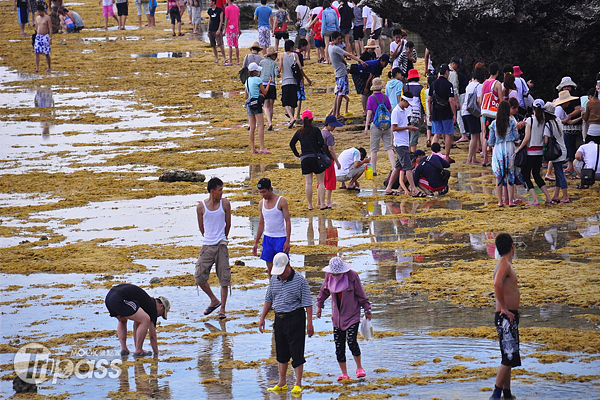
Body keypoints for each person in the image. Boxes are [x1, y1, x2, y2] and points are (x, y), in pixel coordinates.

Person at [259, 253, 314, 395]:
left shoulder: (300, 281)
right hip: (279, 318)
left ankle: (298, 383)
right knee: (281, 351)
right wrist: (262, 317)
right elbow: (268, 299)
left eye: (282, 272)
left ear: (288, 266)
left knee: (297, 351)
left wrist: (310, 323)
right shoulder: (274, 280)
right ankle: (282, 382)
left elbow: (307, 303)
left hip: (295, 317)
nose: (280, 275)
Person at [316, 257, 371, 381]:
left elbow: (361, 294)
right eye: (334, 273)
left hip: (352, 314)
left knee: (351, 340)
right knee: (339, 345)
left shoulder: (352, 276)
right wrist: (319, 305)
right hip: (337, 317)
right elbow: (324, 291)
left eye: (338, 273)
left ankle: (359, 367)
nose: (336, 275)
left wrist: (367, 309)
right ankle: (344, 373)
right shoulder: (329, 276)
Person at [195, 177, 232, 320]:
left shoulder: (225, 204)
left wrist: (223, 238)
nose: (222, 192)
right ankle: (214, 300)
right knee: (199, 276)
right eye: (220, 190)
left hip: (221, 245)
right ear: (212, 191)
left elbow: (228, 224)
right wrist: (209, 238)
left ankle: (222, 309)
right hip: (207, 245)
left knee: (224, 278)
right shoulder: (201, 207)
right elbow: (201, 228)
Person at [490, 233, 520, 400]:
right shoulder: (504, 264)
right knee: (509, 357)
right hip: (506, 316)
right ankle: (496, 394)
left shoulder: (504, 264)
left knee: (508, 356)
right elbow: (497, 283)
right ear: (512, 247)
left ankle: (507, 394)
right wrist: (505, 308)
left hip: (508, 315)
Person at [105, 283, 171, 357]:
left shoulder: (145, 303)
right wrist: (156, 353)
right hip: (120, 298)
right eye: (162, 314)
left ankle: (124, 349)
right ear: (161, 306)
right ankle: (139, 351)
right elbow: (152, 336)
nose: (159, 316)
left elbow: (136, 327)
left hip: (109, 298)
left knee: (122, 320)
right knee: (146, 319)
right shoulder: (152, 308)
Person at [515, 99, 554, 205]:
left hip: (530, 152)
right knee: (537, 175)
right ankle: (548, 197)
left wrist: (518, 149)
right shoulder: (543, 121)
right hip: (539, 152)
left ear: (533, 109)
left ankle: (535, 200)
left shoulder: (530, 120)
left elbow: (527, 138)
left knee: (526, 175)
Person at [290, 109, 328, 210]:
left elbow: (291, 144)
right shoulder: (316, 130)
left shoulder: (299, 132)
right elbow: (321, 142)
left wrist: (298, 154)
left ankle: (310, 205)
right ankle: (322, 204)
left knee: (308, 183)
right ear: (312, 119)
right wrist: (317, 146)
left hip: (305, 159)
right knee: (320, 182)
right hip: (316, 157)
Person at [384, 92, 421, 196]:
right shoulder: (396, 111)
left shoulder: (404, 110)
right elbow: (394, 128)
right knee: (408, 167)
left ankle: (389, 187)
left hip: (403, 142)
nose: (409, 105)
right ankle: (414, 189)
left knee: (397, 167)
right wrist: (408, 128)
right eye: (408, 103)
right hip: (399, 143)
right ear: (404, 101)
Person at [253, 178, 291, 276]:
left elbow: (287, 221)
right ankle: (273, 288)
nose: (263, 194)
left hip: (280, 238)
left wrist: (287, 241)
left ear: (271, 189)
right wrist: (256, 242)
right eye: (261, 192)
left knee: (285, 267)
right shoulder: (261, 203)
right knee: (270, 268)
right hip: (267, 238)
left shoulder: (281, 201)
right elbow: (261, 223)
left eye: (264, 192)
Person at [328, 31, 367, 119]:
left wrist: (346, 64)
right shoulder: (335, 48)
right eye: (338, 39)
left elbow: (341, 58)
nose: (340, 41)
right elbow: (348, 54)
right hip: (341, 73)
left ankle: (335, 113)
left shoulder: (330, 47)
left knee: (338, 93)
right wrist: (360, 61)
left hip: (338, 72)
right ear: (333, 39)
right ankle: (337, 114)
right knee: (341, 94)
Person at [488, 100, 519, 207]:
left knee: (499, 176)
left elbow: (490, 141)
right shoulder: (511, 122)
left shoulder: (493, 123)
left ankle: (500, 201)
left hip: (498, 149)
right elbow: (516, 137)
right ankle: (510, 201)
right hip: (509, 147)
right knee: (510, 174)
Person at [364, 77, 395, 176]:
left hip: (375, 125)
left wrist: (366, 127)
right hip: (387, 125)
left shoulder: (371, 98)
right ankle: (394, 168)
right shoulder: (386, 97)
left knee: (374, 149)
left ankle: (373, 170)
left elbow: (369, 113)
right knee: (389, 148)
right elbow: (390, 111)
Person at [429, 64, 457, 163]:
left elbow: (429, 99)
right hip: (446, 112)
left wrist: (430, 113)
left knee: (436, 134)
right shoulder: (448, 85)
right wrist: (454, 114)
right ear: (446, 72)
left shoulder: (433, 84)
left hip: (436, 112)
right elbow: (451, 100)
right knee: (448, 134)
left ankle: (433, 154)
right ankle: (447, 156)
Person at [542, 102, 569, 203]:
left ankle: (565, 196)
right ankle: (556, 194)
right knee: (558, 173)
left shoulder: (548, 124)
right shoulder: (557, 120)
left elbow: (546, 140)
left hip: (555, 152)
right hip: (562, 149)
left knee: (560, 173)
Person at [480, 63, 504, 167]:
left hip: (485, 111)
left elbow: (481, 99)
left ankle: (485, 159)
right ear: (497, 72)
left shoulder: (484, 83)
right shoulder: (497, 84)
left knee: (486, 135)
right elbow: (501, 100)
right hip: (494, 113)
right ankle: (495, 159)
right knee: (495, 135)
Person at [244, 62, 271, 154]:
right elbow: (265, 92)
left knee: (252, 127)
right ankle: (262, 147)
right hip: (256, 104)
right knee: (260, 126)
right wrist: (269, 83)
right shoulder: (258, 79)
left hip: (249, 104)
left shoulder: (247, 80)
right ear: (255, 71)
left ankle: (253, 148)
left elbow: (246, 95)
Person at [462, 66, 485, 164]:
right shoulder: (479, 86)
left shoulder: (470, 84)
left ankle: (473, 158)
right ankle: (469, 159)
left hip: (465, 111)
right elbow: (479, 100)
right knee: (474, 136)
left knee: (473, 135)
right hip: (472, 113)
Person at [280, 40, 305, 129]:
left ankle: (291, 118)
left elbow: (280, 68)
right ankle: (292, 120)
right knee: (293, 102)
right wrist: (302, 78)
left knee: (285, 101)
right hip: (294, 81)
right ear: (291, 47)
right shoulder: (295, 55)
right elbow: (300, 67)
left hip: (285, 81)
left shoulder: (282, 55)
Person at [321, 115, 343, 208]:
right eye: (333, 126)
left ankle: (319, 201)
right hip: (328, 160)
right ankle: (328, 201)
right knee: (330, 180)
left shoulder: (320, 132)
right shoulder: (329, 136)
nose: (334, 128)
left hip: (319, 159)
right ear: (329, 125)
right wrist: (337, 161)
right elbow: (331, 149)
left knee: (321, 180)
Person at [404, 68, 426, 154]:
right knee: (414, 132)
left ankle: (408, 151)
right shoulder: (420, 88)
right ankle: (413, 152)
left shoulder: (405, 87)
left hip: (406, 113)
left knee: (407, 132)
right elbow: (423, 102)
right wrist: (425, 114)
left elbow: (402, 99)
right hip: (416, 113)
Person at [259, 46, 279, 131]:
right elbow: (277, 74)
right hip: (272, 84)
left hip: (263, 84)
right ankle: (270, 123)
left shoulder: (261, 63)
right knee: (271, 106)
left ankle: (269, 123)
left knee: (265, 106)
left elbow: (259, 73)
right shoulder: (274, 63)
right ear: (273, 55)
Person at [294, 38, 312, 122]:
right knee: (299, 97)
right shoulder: (299, 55)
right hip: (298, 77)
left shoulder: (293, 53)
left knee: (294, 96)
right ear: (302, 46)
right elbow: (301, 69)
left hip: (292, 77)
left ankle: (293, 115)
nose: (306, 48)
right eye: (305, 46)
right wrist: (305, 79)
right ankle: (297, 115)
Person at [34, 3, 52, 73]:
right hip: (38, 36)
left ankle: (49, 67)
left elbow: (50, 28)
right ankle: (37, 68)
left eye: (40, 11)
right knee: (36, 52)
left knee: (46, 53)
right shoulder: (37, 18)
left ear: (43, 11)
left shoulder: (47, 18)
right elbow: (36, 27)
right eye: (38, 11)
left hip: (45, 36)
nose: (39, 13)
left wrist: (50, 38)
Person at [224, 0, 240, 65]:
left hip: (229, 28)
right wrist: (239, 28)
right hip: (235, 28)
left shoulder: (227, 8)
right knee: (236, 45)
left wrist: (224, 29)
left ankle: (230, 61)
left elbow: (226, 19)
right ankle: (237, 61)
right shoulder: (236, 8)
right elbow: (238, 19)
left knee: (230, 45)